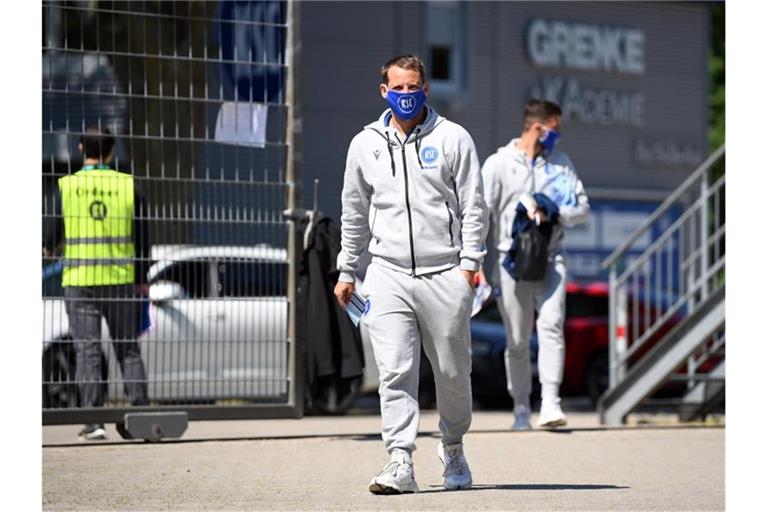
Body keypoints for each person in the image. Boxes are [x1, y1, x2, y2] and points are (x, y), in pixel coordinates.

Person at [334, 54, 488, 494]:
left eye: (413, 87)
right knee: (395, 371)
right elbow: (353, 212)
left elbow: (473, 206)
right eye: (397, 88)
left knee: (453, 374)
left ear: (426, 89)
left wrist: (469, 266)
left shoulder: (453, 137)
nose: (406, 95)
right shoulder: (364, 144)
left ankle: (453, 446)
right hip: (387, 274)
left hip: (445, 274)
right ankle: (399, 460)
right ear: (383, 91)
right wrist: (348, 270)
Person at [479, 99, 590, 430]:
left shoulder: (561, 164)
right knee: (516, 338)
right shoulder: (498, 164)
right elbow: (480, 214)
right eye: (555, 130)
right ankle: (521, 408)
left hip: (551, 258)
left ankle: (551, 403)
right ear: (538, 128)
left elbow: (582, 207)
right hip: (510, 261)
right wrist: (474, 259)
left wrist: (555, 211)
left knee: (552, 324)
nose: (558, 137)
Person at [43, 126, 150, 441]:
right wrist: (142, 278)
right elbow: (143, 236)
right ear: (111, 151)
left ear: (80, 148)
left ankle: (93, 421)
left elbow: (51, 239)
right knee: (128, 349)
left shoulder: (67, 186)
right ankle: (140, 415)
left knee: (87, 350)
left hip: (80, 281)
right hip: (119, 280)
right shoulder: (128, 185)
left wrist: (50, 249)